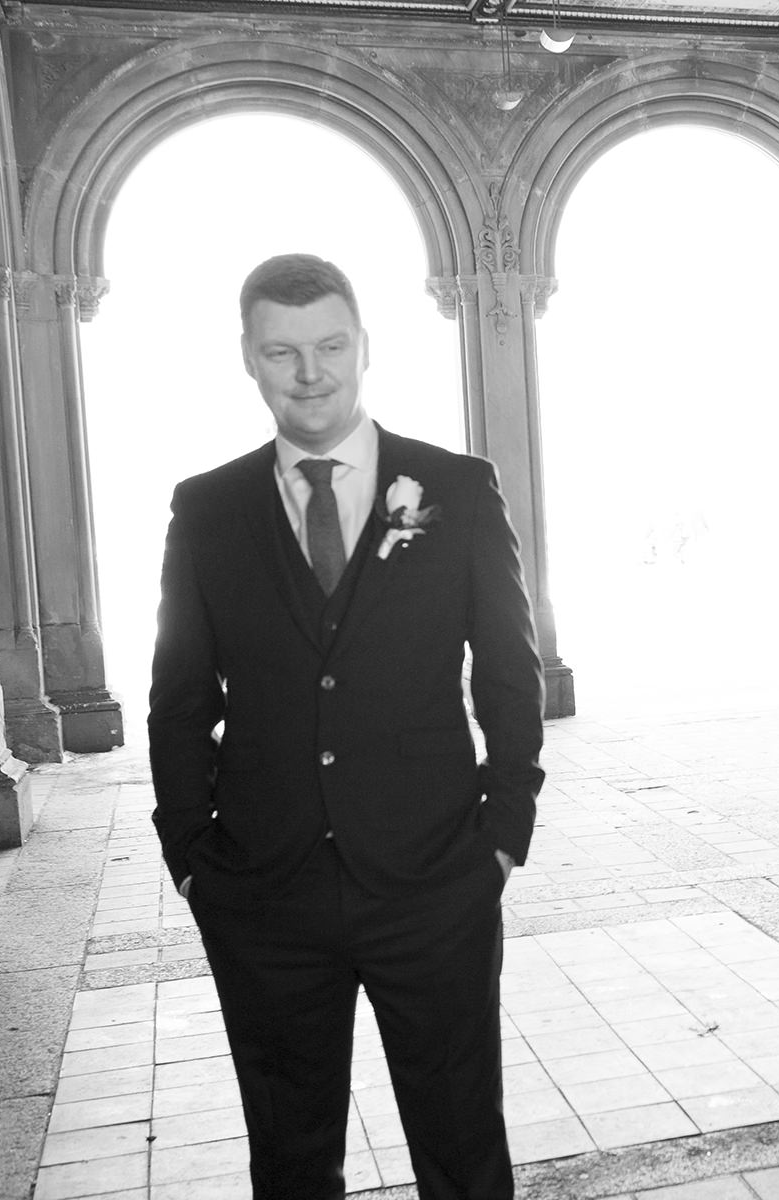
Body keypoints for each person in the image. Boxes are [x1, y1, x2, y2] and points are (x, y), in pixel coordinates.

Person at [149, 253, 545, 1198]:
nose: (309, 372)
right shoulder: (207, 509)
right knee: (290, 1161)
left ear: (365, 346)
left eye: (329, 346)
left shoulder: (456, 486)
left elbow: (508, 670)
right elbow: (180, 698)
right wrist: (193, 856)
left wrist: (503, 833)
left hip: (434, 880)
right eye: (281, 352)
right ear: (248, 358)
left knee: (463, 1150)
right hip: (264, 895)